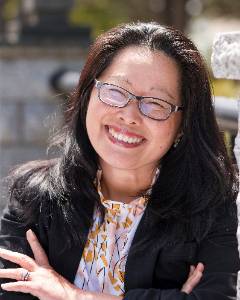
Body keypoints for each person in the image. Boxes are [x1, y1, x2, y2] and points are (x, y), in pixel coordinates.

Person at [0, 21, 239, 300]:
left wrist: (71, 295)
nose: (129, 115)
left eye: (156, 103)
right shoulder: (33, 199)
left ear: (183, 124)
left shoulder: (209, 207)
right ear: (88, 94)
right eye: (115, 91)